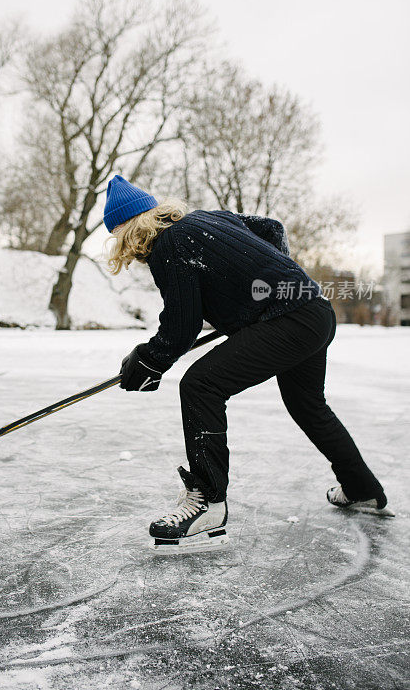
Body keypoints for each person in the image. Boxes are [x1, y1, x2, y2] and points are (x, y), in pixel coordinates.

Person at [103, 175, 392, 555]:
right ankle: (361, 488)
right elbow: (271, 228)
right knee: (308, 404)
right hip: (314, 311)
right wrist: (271, 278)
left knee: (200, 385)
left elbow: (181, 325)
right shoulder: (209, 219)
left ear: (127, 232)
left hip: (289, 320)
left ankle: (208, 501)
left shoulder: (169, 245)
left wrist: (148, 360)